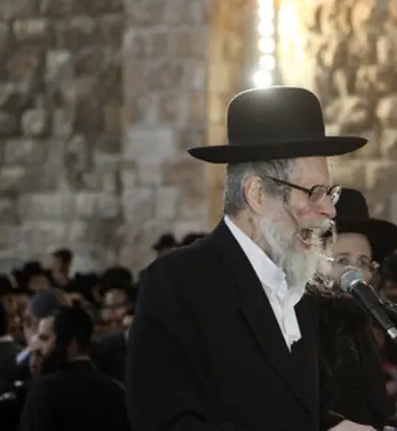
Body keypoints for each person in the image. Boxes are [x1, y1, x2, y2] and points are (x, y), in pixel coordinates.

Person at [126, 87, 379, 431]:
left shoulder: (298, 288)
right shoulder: (178, 282)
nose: (330, 210)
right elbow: (165, 422)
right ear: (258, 194)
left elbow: (303, 413)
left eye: (330, 193)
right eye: (316, 193)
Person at [308, 187, 397, 428]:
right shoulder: (294, 328)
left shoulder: (358, 329)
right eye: (342, 261)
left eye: (363, 263)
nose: (354, 274)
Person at [18, 307, 129, 431]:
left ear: (71, 343)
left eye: (45, 339)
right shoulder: (117, 391)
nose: (38, 348)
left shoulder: (46, 390)